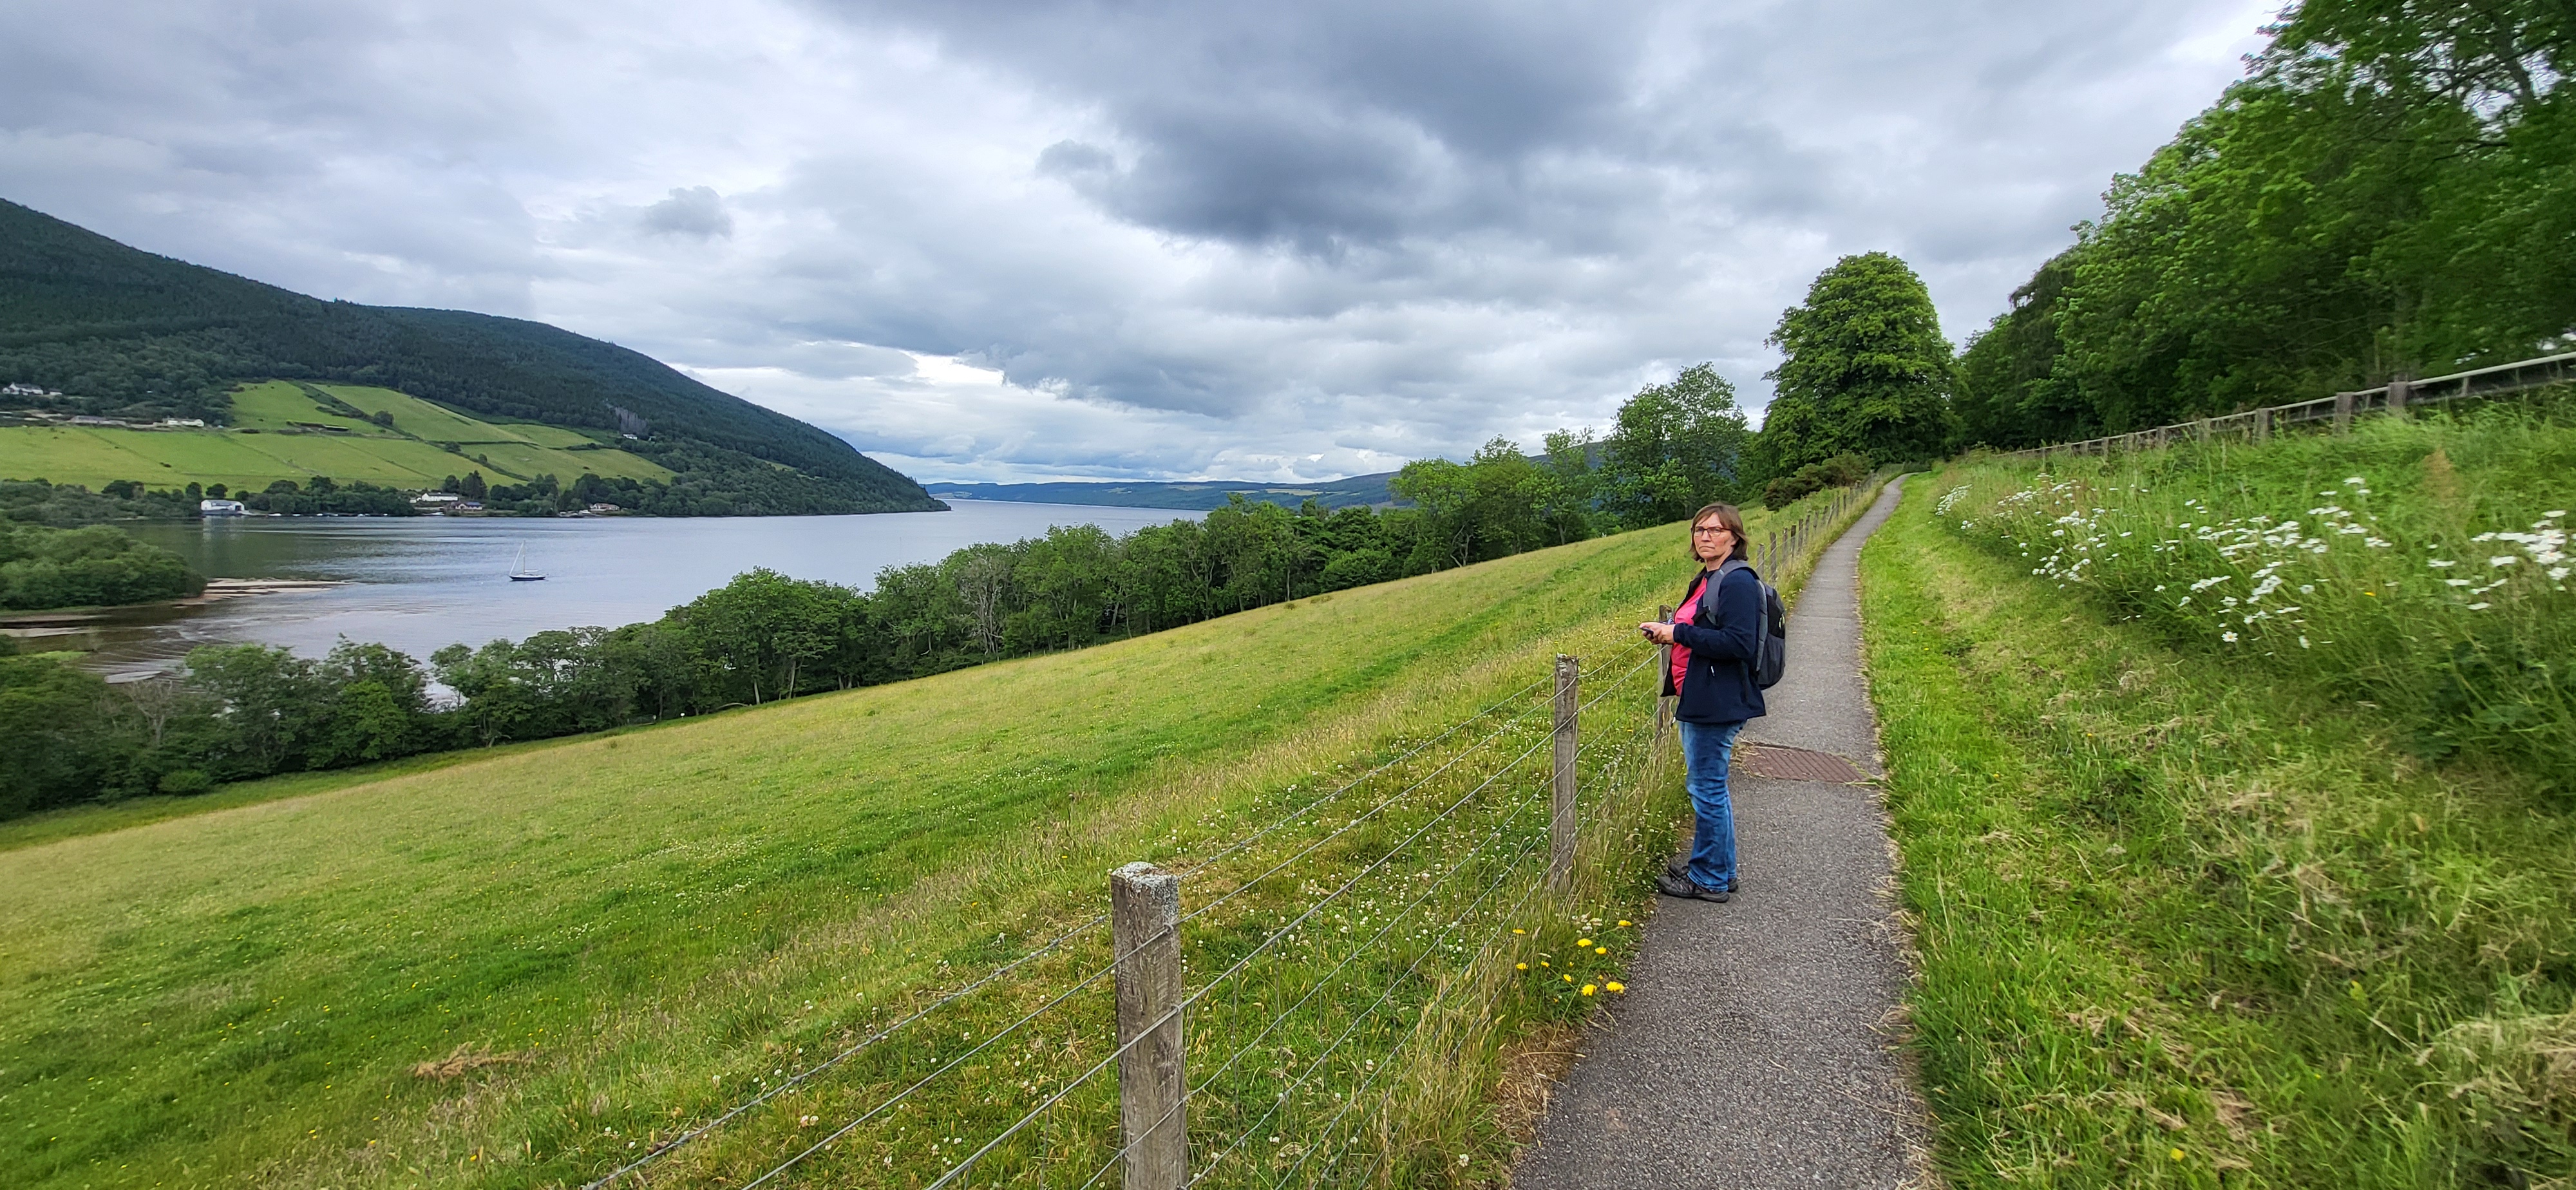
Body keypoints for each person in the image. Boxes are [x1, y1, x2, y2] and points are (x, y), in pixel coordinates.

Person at [1638, 502, 1765, 903]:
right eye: (1699, 530)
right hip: (1701, 691)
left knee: (1706, 789)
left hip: (1717, 699)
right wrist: (1669, 631)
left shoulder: (1738, 581)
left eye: (1716, 530)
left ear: (1734, 537)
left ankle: (1708, 878)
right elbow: (1701, 628)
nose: (1706, 537)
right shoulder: (1708, 577)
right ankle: (1720, 869)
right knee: (1710, 787)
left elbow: (1739, 643)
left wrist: (1677, 635)